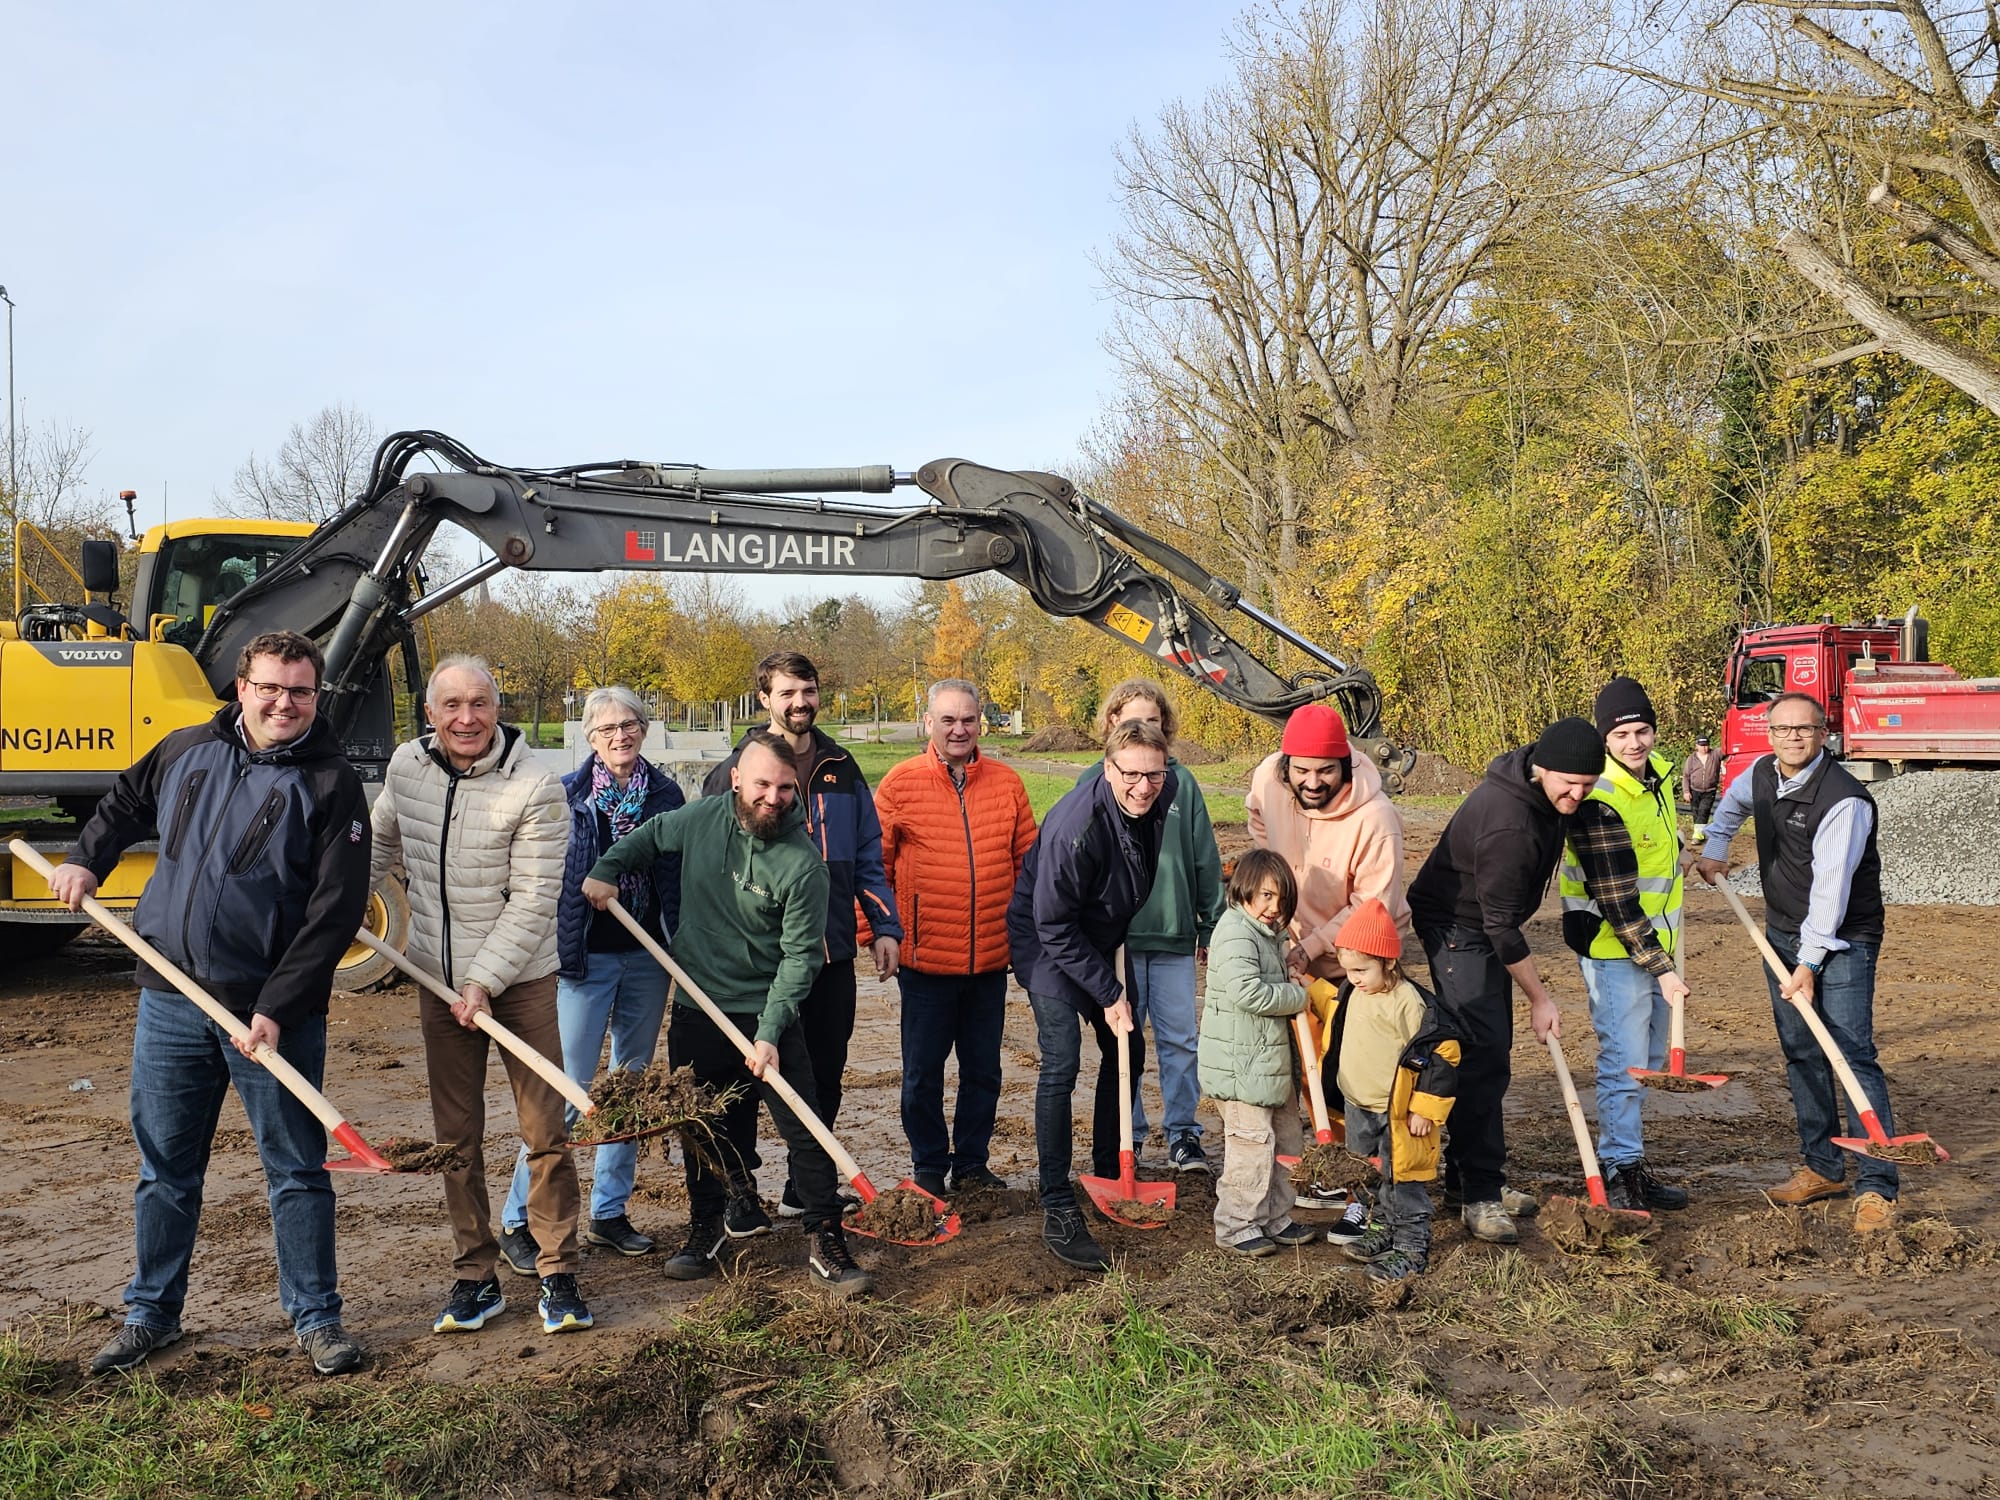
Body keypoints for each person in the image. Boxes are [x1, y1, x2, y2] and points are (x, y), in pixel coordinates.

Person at [54, 630, 372, 1377]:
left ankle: (316, 1317)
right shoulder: (184, 748)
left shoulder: (331, 782)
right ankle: (151, 1314)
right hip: (169, 997)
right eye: (270, 686)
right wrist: (83, 858)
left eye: (299, 691)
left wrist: (281, 1003)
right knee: (165, 1166)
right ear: (241, 687)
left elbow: (335, 910)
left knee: (296, 1167)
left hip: (269, 1015)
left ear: (315, 696)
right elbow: (124, 803)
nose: (283, 703)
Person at [585, 730, 874, 1295]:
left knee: (805, 1128)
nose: (774, 797)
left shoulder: (804, 865)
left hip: (769, 1012)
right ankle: (707, 1226)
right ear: (737, 777)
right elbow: (646, 839)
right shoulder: (699, 819)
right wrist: (607, 869)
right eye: (763, 783)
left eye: (786, 788)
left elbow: (799, 960)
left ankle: (824, 1235)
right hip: (698, 1005)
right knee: (701, 1126)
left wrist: (769, 1034)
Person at [370, 656, 590, 1336]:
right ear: (430, 713)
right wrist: (340, 903)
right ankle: (475, 1275)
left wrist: (484, 982)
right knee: (455, 1138)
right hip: (439, 984)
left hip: (519, 984)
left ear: (498, 708)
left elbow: (533, 902)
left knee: (543, 1132)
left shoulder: (536, 786)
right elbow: (379, 843)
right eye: (452, 705)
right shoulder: (406, 767)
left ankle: (557, 1273)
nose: (467, 718)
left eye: (480, 703)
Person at [702, 650, 901, 1229]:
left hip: (829, 951)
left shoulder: (842, 766)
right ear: (764, 698)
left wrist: (883, 925)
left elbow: (869, 854)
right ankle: (740, 1193)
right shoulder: (736, 769)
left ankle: (802, 1186)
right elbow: (714, 864)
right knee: (742, 1080)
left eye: (807, 690)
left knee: (825, 1072)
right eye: (786, 692)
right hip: (757, 961)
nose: (799, 702)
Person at [1695, 692, 1899, 1235]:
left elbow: (1831, 894)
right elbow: (1733, 805)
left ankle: (1877, 1184)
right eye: (1783, 729)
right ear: (1769, 731)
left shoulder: (1844, 800)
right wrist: (1716, 845)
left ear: (1823, 733)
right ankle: (1822, 1166)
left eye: (1804, 730)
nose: (1792, 738)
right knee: (1802, 1049)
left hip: (1844, 938)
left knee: (1851, 1052)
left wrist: (1807, 964)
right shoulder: (1761, 774)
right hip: (1783, 932)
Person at [496, 686, 684, 1272]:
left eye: (629, 725)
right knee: (566, 1086)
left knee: (629, 1085)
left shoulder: (666, 794)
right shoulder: (568, 794)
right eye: (606, 729)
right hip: (582, 959)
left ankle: (608, 1211)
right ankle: (517, 1218)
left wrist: (680, 939)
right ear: (589, 737)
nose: (619, 737)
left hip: (647, 956)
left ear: (644, 730)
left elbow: (677, 876)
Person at [1406, 716, 1606, 1244]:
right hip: (1458, 928)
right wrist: (1540, 998)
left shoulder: (1543, 789)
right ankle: (1478, 1195)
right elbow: (1500, 925)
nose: (1577, 794)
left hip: (1484, 925)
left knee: (1492, 1053)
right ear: (1542, 769)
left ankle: (1469, 1180)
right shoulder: (1510, 823)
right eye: (1569, 783)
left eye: (1588, 785)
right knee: (1480, 1056)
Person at [1007, 718, 1176, 1272]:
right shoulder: (1074, 826)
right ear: (1108, 769)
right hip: (1047, 942)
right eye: (1130, 774)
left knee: (1129, 1049)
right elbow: (1053, 924)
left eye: (1153, 773)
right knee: (1062, 1059)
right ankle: (1056, 1200)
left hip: (1099, 936)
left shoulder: (1161, 792)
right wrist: (1108, 990)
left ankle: (1110, 1166)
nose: (1143, 787)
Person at [874, 679, 1038, 1199]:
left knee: (983, 1071)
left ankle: (971, 1164)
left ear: (980, 722)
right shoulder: (900, 785)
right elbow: (871, 868)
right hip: (924, 962)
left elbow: (1028, 865)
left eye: (968, 719)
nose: (959, 729)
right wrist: (878, 932)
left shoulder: (1008, 784)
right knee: (922, 1074)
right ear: (929, 723)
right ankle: (927, 1165)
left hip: (990, 959)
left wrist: (1026, 939)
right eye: (948, 719)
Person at [1075, 680, 1224, 1174]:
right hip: (1118, 939)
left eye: (1153, 722)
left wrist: (1209, 924)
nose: (1141, 729)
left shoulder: (1180, 784)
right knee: (1126, 1040)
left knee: (1181, 1038)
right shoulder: (1092, 785)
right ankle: (1129, 1133)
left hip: (1173, 934)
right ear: (1111, 725)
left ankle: (1183, 1133)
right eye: (1129, 721)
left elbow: (1205, 857)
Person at [1556, 677, 1692, 1213]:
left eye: (1642, 730)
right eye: (1622, 735)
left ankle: (1628, 1157)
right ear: (1605, 740)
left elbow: (1655, 851)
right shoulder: (1599, 798)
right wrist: (1661, 968)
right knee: (1625, 1061)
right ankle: (1620, 1167)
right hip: (1616, 950)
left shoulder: (1658, 776)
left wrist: (1688, 851)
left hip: (1656, 943)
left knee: (1651, 1059)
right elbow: (1617, 899)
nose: (1635, 743)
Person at [1305, 898, 1460, 1285]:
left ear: (1389, 962)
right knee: (1366, 1172)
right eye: (1347, 968)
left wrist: (1424, 1107)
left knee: (1401, 1178)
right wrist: (1307, 986)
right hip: (1360, 1105)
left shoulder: (1408, 1002)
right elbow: (1334, 1004)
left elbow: (1441, 1052)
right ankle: (1381, 1228)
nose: (1353, 977)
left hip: (1400, 1115)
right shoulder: (1353, 991)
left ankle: (1410, 1248)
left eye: (1362, 969)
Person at [1196, 848, 1323, 1257]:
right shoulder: (1234, 931)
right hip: (1240, 1066)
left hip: (1271, 1063)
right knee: (1251, 1146)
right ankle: (1236, 1224)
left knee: (1287, 1140)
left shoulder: (1271, 934)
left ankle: (1275, 1216)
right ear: (1243, 891)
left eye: (1281, 899)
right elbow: (1247, 991)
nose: (1273, 907)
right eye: (1265, 896)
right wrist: (1296, 995)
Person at [1246, 702, 1410, 982]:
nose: (1312, 783)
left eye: (1325, 771)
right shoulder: (1268, 780)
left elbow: (1371, 907)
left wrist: (1312, 946)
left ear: (1345, 766)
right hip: (1291, 956)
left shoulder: (1375, 819)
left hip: (1356, 966)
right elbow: (1257, 817)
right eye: (1301, 770)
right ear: (1286, 766)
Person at [1683, 734, 1722, 835]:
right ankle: (1700, 834)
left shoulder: (1715, 754)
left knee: (1703, 812)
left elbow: (1727, 749)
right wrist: (1686, 791)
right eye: (1702, 745)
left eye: (1706, 745)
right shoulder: (1691, 759)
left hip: (1709, 791)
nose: (1704, 748)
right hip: (1694, 790)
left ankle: (1697, 836)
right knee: (1696, 814)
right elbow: (1686, 776)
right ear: (1696, 746)